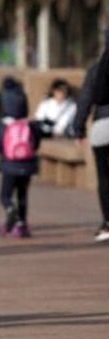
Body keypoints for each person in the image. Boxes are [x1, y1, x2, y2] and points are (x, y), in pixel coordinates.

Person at [0, 77, 40, 238]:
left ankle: (9, 209)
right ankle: (22, 224)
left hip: (9, 165)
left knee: (5, 195)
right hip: (27, 165)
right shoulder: (29, 124)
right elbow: (35, 144)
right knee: (22, 194)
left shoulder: (3, 125)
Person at [73, 40, 109, 242]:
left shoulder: (97, 68)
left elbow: (85, 99)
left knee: (105, 179)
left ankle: (107, 223)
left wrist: (78, 129)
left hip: (102, 126)